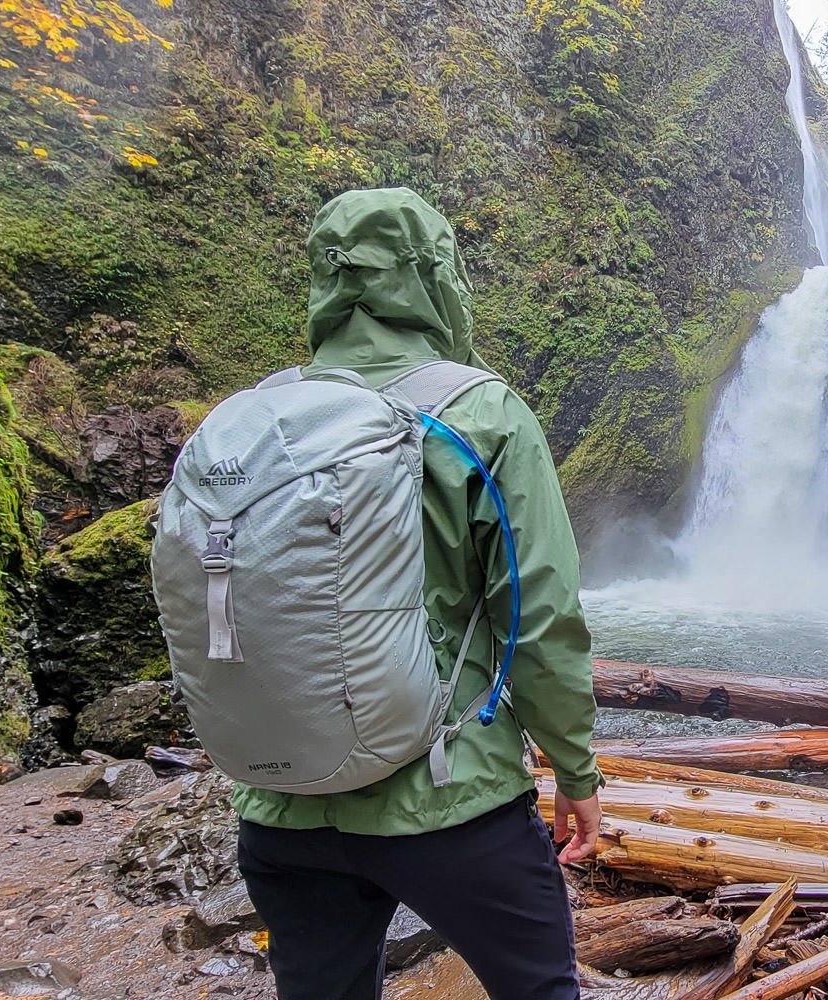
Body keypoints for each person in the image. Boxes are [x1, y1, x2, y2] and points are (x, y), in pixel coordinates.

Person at [230, 187, 603, 1000]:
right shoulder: (481, 412)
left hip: (282, 810)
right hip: (449, 802)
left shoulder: (255, 418)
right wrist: (575, 770)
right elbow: (537, 616)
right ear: (438, 277)